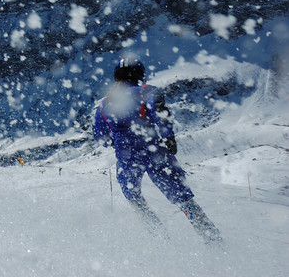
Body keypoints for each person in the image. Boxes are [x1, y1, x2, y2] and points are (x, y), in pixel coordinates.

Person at [93, 57, 222, 244]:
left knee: (135, 198)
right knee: (182, 198)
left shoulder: (105, 103)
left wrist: (119, 141)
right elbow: (161, 115)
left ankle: (161, 241)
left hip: (127, 157)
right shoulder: (148, 91)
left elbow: (101, 137)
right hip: (155, 152)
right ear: (140, 74)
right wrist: (168, 138)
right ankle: (212, 238)